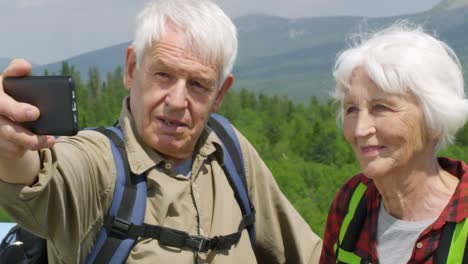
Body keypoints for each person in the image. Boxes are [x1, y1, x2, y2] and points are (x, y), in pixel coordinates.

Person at [0, 0, 322, 263]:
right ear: (131, 68)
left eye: (198, 84)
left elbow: (310, 254)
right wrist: (12, 150)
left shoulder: (229, 153)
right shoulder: (100, 165)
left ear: (220, 94)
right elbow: (41, 178)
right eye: (163, 75)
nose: (177, 101)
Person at [319, 23, 468, 263]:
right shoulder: (352, 200)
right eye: (351, 109)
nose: (360, 129)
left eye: (381, 107)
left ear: (433, 116)